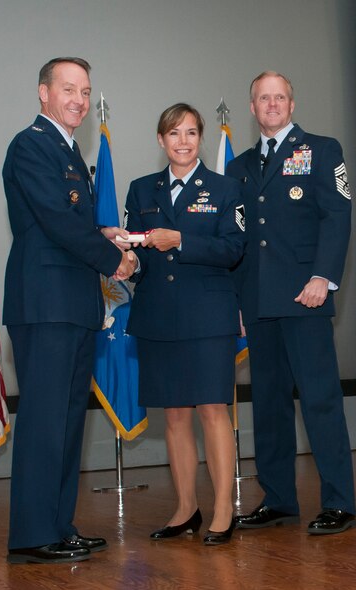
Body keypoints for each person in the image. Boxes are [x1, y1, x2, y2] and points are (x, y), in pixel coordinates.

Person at [2, 57, 137, 564]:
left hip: (73, 304)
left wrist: (102, 237)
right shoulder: (30, 144)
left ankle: (58, 525)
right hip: (45, 304)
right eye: (68, 89)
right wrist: (113, 259)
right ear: (43, 92)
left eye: (85, 90)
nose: (79, 99)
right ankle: (33, 534)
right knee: (44, 421)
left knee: (66, 423)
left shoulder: (69, 149)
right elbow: (57, 220)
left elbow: (64, 222)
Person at [226, 71, 356, 535]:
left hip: (306, 296)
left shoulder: (323, 150)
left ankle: (339, 501)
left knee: (320, 401)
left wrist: (323, 276)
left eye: (279, 97)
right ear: (252, 107)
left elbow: (337, 215)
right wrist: (237, 302)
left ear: (292, 104)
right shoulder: (238, 167)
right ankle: (279, 498)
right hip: (258, 301)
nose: (272, 104)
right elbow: (237, 239)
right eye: (263, 97)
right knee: (269, 404)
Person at [125, 103, 245, 546]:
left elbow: (234, 248)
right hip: (158, 317)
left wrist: (181, 240)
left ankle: (222, 509)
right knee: (174, 417)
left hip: (208, 316)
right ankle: (185, 507)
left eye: (191, 133)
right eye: (174, 134)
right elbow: (136, 254)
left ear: (201, 139)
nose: (183, 141)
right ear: (161, 140)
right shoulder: (141, 190)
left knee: (213, 411)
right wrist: (126, 261)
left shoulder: (226, 187)